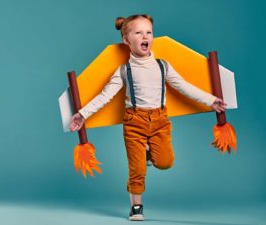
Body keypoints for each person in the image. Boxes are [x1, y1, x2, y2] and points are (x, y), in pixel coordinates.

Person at [69, 14, 226, 221]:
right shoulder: (124, 70)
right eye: (138, 32)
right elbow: (105, 96)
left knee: (166, 162)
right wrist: (82, 114)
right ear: (126, 40)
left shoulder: (163, 66)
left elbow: (184, 86)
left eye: (149, 32)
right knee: (137, 169)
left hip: (160, 120)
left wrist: (211, 100)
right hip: (134, 122)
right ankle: (136, 207)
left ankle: (148, 153)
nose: (145, 36)